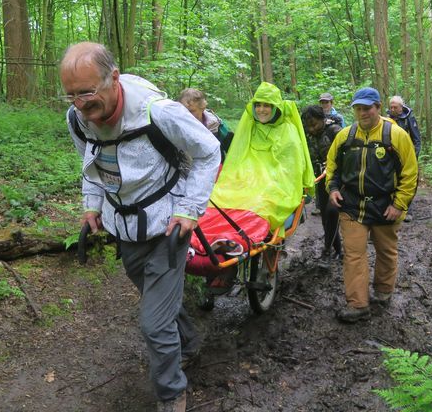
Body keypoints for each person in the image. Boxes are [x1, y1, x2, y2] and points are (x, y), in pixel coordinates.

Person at [60, 42, 221, 412]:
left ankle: (171, 393)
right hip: (125, 230)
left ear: (113, 78)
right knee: (157, 302)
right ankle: (190, 341)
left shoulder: (158, 113)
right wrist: (91, 205)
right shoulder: (77, 118)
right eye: (70, 95)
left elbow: (209, 150)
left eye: (87, 92)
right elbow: (91, 163)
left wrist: (189, 209)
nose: (80, 104)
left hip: (168, 229)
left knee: (152, 323)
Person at [326, 87, 417, 323]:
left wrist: (399, 204)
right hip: (352, 206)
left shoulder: (396, 136)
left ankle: (384, 291)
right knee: (354, 255)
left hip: (386, 206)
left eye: (367, 108)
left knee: (386, 252)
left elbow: (410, 174)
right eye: (358, 108)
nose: (362, 113)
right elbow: (332, 167)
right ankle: (358, 305)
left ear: (378, 107)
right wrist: (333, 189)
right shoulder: (345, 136)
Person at [209, 82, 315, 234]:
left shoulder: (287, 131)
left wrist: (264, 184)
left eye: (267, 105)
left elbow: (289, 170)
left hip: (274, 186)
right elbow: (238, 158)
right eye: (258, 105)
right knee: (218, 197)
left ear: (275, 107)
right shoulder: (250, 127)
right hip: (247, 182)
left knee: (260, 202)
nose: (261, 110)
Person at [301, 105, 342, 265]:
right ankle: (336, 250)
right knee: (326, 217)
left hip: (338, 179)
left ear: (323, 120)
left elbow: (348, 153)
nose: (312, 129)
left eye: (315, 124)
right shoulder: (305, 134)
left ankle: (327, 250)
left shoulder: (335, 131)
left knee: (332, 212)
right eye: (308, 126)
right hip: (319, 180)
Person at [178, 88, 234, 161]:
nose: (188, 115)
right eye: (185, 111)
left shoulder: (215, 124)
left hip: (217, 164)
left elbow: (232, 147)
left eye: (191, 111)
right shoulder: (178, 125)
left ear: (202, 107)